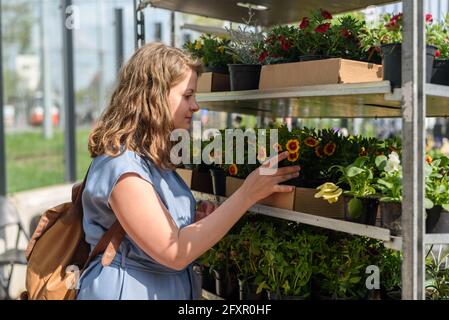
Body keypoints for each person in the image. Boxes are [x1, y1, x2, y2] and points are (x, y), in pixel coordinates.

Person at [76, 43, 300, 300]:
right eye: (187, 95)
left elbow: (158, 232)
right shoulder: (122, 166)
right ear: (153, 97)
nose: (195, 106)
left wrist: (193, 220)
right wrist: (247, 193)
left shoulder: (152, 160)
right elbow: (175, 252)